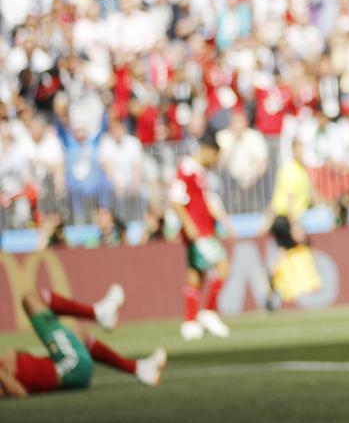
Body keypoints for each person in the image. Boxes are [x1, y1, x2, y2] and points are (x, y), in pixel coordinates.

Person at [0, 284, 166, 399]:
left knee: (78, 334)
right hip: (70, 366)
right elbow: (20, 394)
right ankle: (99, 313)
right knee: (30, 298)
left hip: (67, 365)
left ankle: (139, 369)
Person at [169, 131, 231, 341]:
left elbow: (206, 202)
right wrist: (188, 225)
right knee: (222, 266)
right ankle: (209, 312)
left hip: (203, 229)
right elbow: (175, 199)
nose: (215, 161)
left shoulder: (199, 172)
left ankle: (190, 322)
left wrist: (223, 221)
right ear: (207, 150)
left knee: (197, 274)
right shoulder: (187, 168)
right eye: (214, 156)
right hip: (199, 231)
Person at [263, 138, 319, 310]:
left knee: (283, 254)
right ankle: (296, 287)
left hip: (284, 218)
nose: (302, 153)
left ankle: (272, 288)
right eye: (300, 149)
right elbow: (288, 200)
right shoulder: (291, 171)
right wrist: (294, 225)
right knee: (301, 251)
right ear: (293, 150)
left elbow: (305, 196)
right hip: (286, 219)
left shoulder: (300, 170)